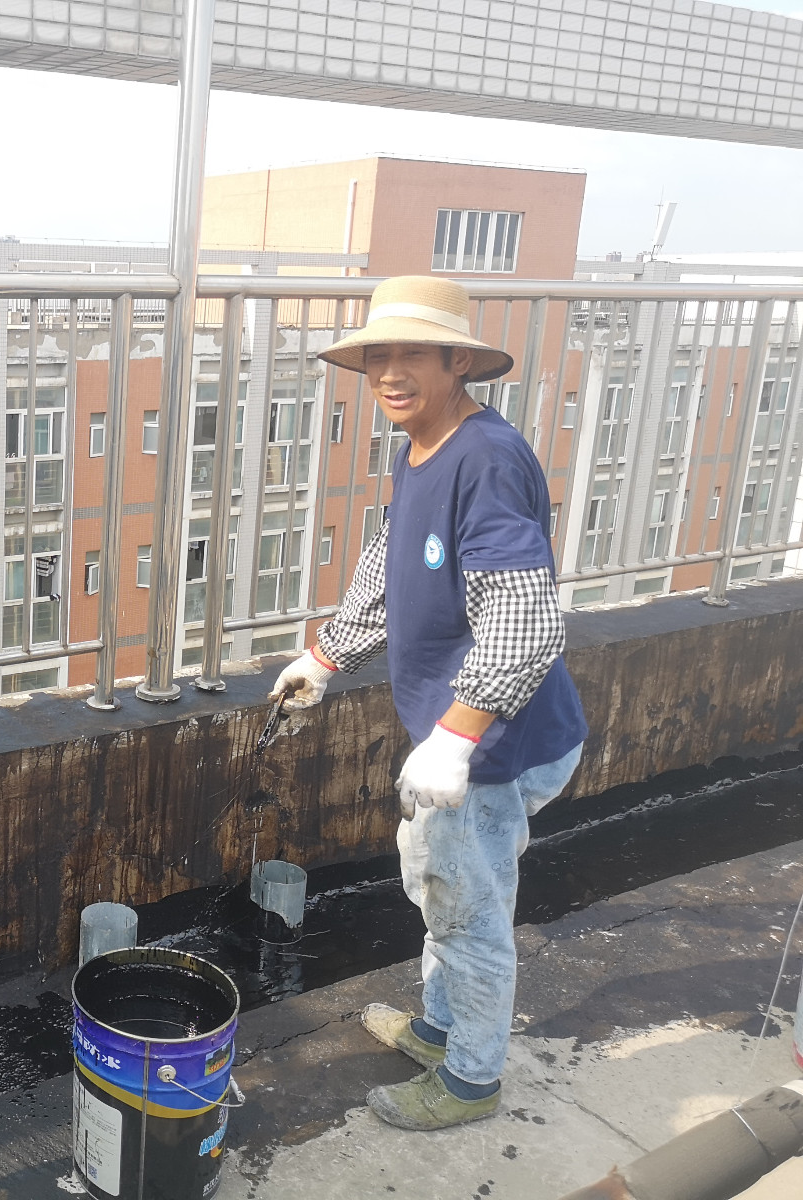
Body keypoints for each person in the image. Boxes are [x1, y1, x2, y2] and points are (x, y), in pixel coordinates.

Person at [272, 275, 587, 1132]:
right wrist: (327, 655)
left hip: (493, 745)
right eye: (379, 354)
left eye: (413, 352)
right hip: (466, 736)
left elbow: (525, 620)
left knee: (467, 912)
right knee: (443, 890)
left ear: (459, 363)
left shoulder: (485, 459)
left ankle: (471, 1082)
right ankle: (439, 1031)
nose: (390, 371)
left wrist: (456, 736)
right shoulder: (422, 447)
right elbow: (393, 562)